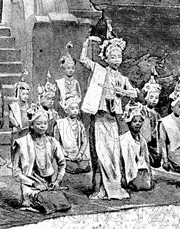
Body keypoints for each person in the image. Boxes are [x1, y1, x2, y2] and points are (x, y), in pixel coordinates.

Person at [79, 35, 137, 200]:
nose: (116, 60)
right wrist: (86, 44)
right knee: (101, 156)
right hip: (100, 120)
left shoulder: (121, 78)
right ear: (105, 57)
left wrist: (124, 92)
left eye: (119, 56)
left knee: (113, 156)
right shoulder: (100, 70)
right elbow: (83, 60)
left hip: (113, 121)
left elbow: (134, 93)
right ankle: (100, 190)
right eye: (112, 57)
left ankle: (113, 188)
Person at [12, 105, 68, 210]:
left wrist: (57, 181)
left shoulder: (52, 141)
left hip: (48, 185)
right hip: (31, 186)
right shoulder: (21, 143)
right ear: (32, 125)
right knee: (46, 202)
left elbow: (62, 163)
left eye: (45, 123)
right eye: (39, 123)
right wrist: (34, 183)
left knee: (63, 204)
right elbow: (16, 172)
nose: (42, 126)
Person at [158, 78, 180, 172]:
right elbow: (162, 142)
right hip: (173, 151)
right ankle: (171, 164)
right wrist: (164, 159)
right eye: (179, 107)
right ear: (172, 107)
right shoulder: (165, 122)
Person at [54, 94, 90, 174]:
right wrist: (66, 154)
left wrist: (80, 153)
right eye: (72, 108)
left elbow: (84, 141)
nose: (75, 111)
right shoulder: (60, 124)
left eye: (76, 108)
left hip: (78, 155)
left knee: (85, 167)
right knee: (73, 168)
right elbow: (56, 142)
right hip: (66, 155)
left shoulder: (80, 124)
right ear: (66, 110)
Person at [121, 102, 153, 191]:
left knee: (146, 186)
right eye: (134, 121)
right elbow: (125, 159)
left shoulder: (142, 140)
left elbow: (146, 158)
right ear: (129, 123)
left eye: (140, 121)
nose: (138, 124)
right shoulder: (125, 140)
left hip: (140, 168)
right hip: (129, 169)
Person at [140, 72, 162, 168]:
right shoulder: (143, 110)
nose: (154, 100)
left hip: (154, 139)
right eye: (151, 97)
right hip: (146, 137)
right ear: (146, 97)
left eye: (156, 98)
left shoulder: (156, 114)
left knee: (156, 159)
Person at [55, 42, 82, 116]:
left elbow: (79, 96)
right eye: (68, 68)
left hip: (74, 109)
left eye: (73, 68)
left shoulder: (76, 82)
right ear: (64, 69)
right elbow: (58, 99)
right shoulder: (59, 83)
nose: (71, 70)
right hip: (63, 110)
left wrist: (74, 101)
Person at [9, 70, 32, 142]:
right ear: (19, 94)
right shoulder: (14, 106)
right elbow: (11, 117)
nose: (25, 96)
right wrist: (17, 125)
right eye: (23, 94)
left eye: (27, 94)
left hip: (27, 129)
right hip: (17, 129)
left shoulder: (28, 106)